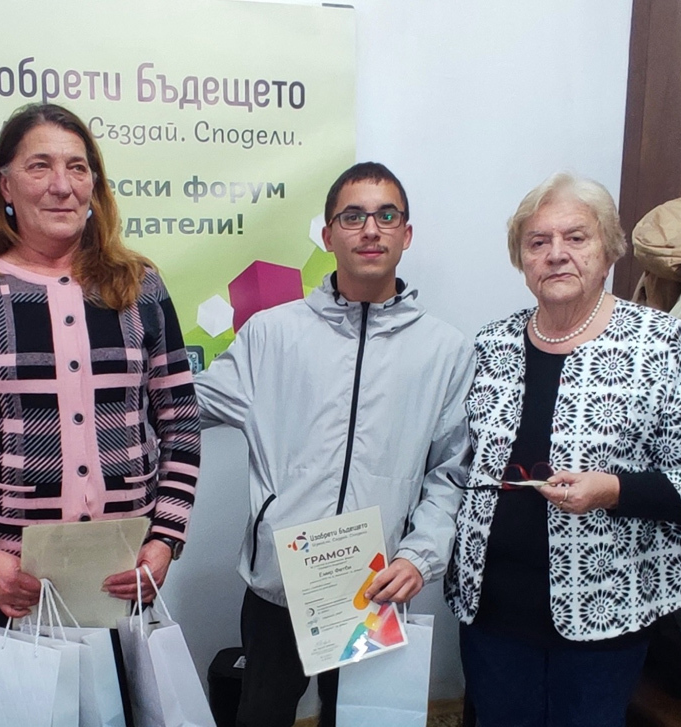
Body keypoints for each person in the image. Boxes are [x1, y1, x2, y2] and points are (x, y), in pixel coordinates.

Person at [444, 173, 681, 727]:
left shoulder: (657, 343)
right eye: (538, 242)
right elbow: (454, 470)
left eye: (576, 238)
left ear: (608, 251)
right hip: (491, 609)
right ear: (521, 260)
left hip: (606, 613)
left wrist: (615, 490)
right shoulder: (490, 344)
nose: (556, 254)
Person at [194, 162, 473, 727]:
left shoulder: (445, 350)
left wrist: (420, 555)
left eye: (386, 215)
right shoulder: (271, 334)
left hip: (376, 585)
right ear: (327, 235)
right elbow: (180, 405)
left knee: (361, 721)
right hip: (280, 585)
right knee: (262, 717)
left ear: (406, 234)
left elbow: (451, 472)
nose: (370, 229)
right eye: (352, 216)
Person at [0, 103, 201, 629]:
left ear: (94, 185)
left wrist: (165, 539)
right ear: (5, 185)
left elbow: (180, 425)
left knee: (124, 687)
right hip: (13, 578)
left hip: (125, 569)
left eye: (77, 167)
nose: (61, 186)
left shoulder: (140, 288)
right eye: (39, 166)